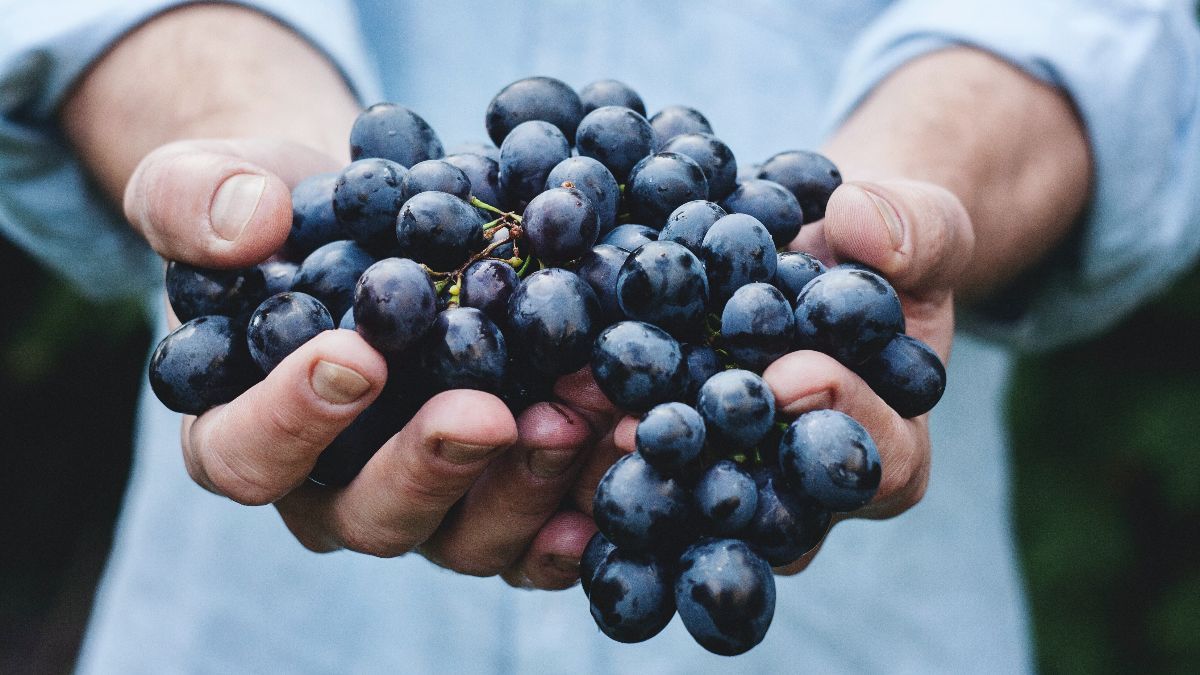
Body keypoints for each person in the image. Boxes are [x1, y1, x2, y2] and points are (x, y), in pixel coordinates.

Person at [3, 0, 1199, 672]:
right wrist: (234, 134)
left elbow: (1105, 31)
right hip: (267, 624)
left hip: (847, 584)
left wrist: (914, 192)